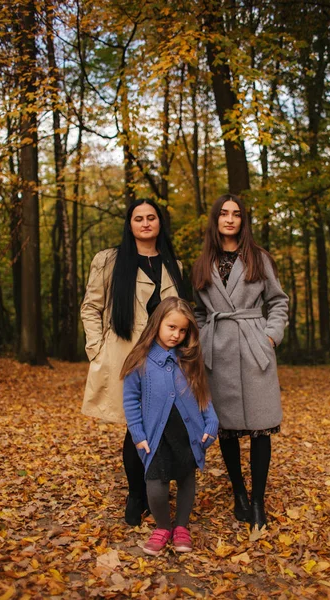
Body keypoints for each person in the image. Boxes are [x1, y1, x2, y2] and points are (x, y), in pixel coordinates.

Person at [80, 199, 186, 527]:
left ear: (159, 223)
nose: (144, 223)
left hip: (166, 359)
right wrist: (97, 349)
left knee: (164, 425)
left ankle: (157, 487)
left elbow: (183, 313)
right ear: (130, 224)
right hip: (125, 356)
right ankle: (137, 494)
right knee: (134, 427)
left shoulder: (174, 264)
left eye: (150, 217)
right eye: (137, 218)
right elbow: (91, 307)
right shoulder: (109, 261)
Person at [192, 193, 288, 530]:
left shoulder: (259, 258)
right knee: (227, 430)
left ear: (243, 221)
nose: (230, 219)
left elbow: (278, 302)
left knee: (261, 429)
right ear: (215, 220)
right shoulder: (203, 262)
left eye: (236, 214)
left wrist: (270, 336)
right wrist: (204, 340)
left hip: (254, 346)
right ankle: (239, 494)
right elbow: (200, 311)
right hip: (217, 352)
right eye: (224, 214)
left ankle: (258, 501)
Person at [121, 297, 219, 556]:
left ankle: (181, 527)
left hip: (188, 432)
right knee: (155, 483)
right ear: (157, 324)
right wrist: (137, 433)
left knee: (187, 478)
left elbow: (203, 394)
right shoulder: (141, 360)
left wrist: (212, 420)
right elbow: (130, 400)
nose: (177, 335)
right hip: (156, 434)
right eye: (171, 327)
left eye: (183, 330)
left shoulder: (188, 358)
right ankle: (163, 527)